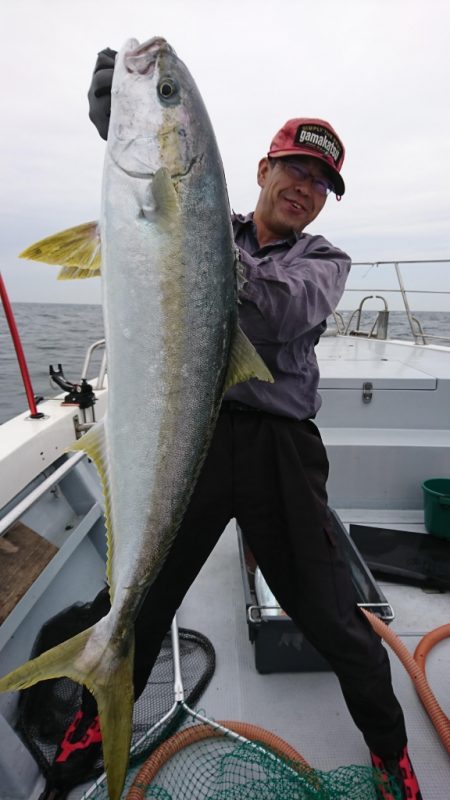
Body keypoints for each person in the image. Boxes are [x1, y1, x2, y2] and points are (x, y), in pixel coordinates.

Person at [50, 49, 423, 800]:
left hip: (279, 451)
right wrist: (129, 151)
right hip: (190, 430)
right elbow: (147, 237)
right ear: (261, 167)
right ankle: (95, 717)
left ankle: (389, 753)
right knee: (141, 596)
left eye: (322, 184)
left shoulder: (325, 261)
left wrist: (180, 225)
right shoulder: (197, 216)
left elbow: (279, 309)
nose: (306, 190)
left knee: (331, 616)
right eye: (296, 170)